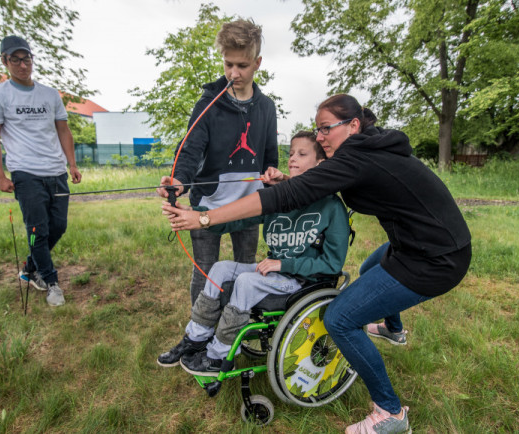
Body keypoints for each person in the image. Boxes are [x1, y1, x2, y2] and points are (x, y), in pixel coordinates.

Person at [163, 94, 472, 433]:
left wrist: (204, 218)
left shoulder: (359, 157)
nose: (320, 136)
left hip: (436, 257)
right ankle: (393, 329)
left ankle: (391, 413)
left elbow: (293, 195)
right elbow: (304, 186)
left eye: (326, 128)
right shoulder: (367, 149)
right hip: (413, 242)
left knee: (341, 318)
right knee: (371, 271)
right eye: (317, 129)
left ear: (353, 125)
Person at [157, 132, 350, 375]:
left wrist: (283, 264)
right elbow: (235, 220)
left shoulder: (331, 207)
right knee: (220, 269)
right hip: (277, 274)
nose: (292, 159)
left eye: (302, 154)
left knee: (247, 281)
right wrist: (194, 214)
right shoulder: (279, 198)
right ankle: (196, 338)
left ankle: (219, 355)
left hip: (302, 281)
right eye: (290, 154)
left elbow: (332, 264)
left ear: (320, 164)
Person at [156, 19, 278, 308]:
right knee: (205, 270)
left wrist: (272, 173)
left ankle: (233, 322)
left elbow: (270, 156)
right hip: (207, 205)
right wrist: (179, 181)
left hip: (249, 206)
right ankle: (198, 332)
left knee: (244, 268)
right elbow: (189, 149)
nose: (233, 73)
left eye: (242, 65)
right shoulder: (208, 103)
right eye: (228, 64)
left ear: (257, 62)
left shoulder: (267, 107)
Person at [0, 35, 82, 307]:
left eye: (26, 58)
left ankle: (29, 268)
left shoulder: (50, 95)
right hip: (25, 173)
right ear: (5, 61)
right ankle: (51, 282)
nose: (22, 65)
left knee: (57, 226)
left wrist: (71, 163)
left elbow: (63, 129)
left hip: (56, 171)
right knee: (37, 229)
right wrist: (1, 176)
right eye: (15, 60)